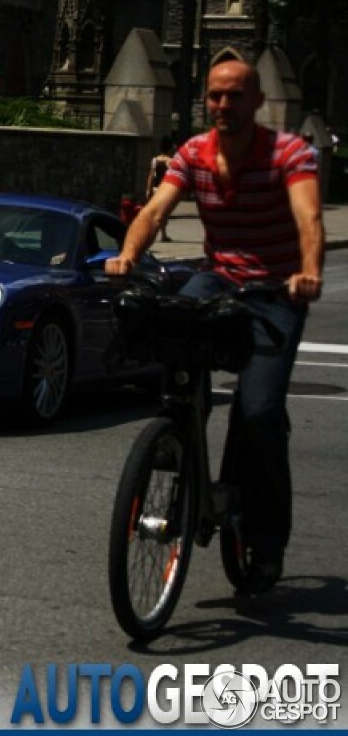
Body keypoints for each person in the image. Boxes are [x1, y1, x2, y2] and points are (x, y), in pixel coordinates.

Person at [105, 58, 324, 593]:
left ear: (256, 103)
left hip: (276, 292)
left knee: (260, 412)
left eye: (234, 96)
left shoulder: (288, 154)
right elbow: (155, 211)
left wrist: (310, 271)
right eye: (215, 97)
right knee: (170, 340)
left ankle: (266, 541)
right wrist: (128, 254)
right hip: (219, 280)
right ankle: (178, 439)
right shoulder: (194, 153)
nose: (224, 105)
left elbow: (308, 218)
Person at [145, 136, 175, 241]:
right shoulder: (171, 161)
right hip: (164, 190)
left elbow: (151, 175)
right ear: (170, 148)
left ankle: (161, 234)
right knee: (163, 213)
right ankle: (162, 234)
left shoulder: (155, 160)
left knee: (155, 212)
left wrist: (148, 190)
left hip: (154, 188)